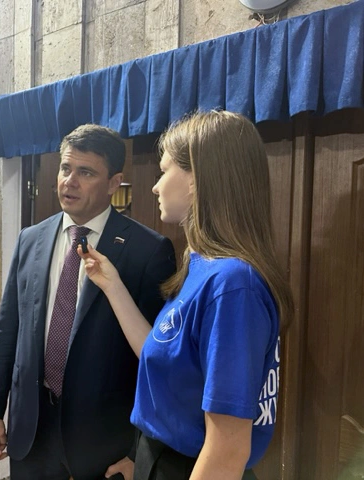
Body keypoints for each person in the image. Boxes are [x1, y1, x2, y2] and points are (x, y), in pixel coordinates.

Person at [79, 111, 294, 480]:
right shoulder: (202, 266)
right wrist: (111, 284)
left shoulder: (232, 285)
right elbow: (159, 352)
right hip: (163, 457)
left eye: (164, 171)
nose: (155, 186)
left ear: (197, 179)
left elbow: (227, 450)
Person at [0, 124, 176, 480]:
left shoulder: (148, 251)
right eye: (65, 168)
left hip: (104, 440)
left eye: (86, 173)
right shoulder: (31, 239)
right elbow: (8, 330)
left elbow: (155, 362)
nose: (69, 182)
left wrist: (139, 450)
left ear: (114, 183)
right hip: (31, 429)